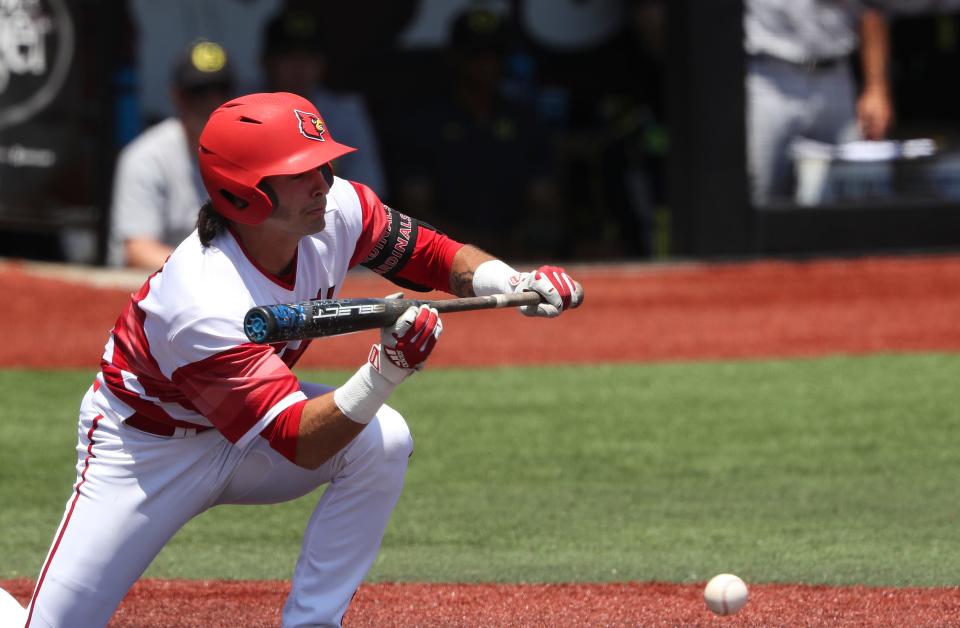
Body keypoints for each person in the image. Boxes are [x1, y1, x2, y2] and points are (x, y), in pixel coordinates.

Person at [20, 91, 582, 627]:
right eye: (298, 172)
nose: (321, 184)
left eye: (323, 166)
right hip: (146, 452)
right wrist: (386, 371)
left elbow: (428, 255)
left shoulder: (335, 211)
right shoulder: (200, 301)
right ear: (242, 193)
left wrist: (514, 282)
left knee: (382, 440)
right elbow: (298, 440)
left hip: (248, 435)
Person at [386, 6, 564, 260]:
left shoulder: (524, 119)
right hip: (445, 257)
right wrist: (475, 247)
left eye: (494, 54)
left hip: (518, 255)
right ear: (454, 56)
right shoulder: (424, 122)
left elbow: (546, 201)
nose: (486, 64)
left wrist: (517, 240)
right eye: (476, 54)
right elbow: (415, 210)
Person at [744, 0, 895, 205]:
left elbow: (871, 11)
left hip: (835, 73)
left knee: (853, 189)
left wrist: (876, 87)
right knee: (757, 192)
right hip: (769, 74)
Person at [107, 39, 235, 268]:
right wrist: (214, 272)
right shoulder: (145, 157)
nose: (212, 102)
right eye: (199, 92)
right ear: (177, 97)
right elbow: (138, 251)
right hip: (157, 289)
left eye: (221, 90)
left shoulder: (248, 155)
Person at [261, 7, 388, 194]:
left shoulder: (346, 111)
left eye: (309, 56)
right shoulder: (242, 108)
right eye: (288, 55)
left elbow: (368, 189)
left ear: (322, 62)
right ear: (265, 61)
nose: (300, 66)